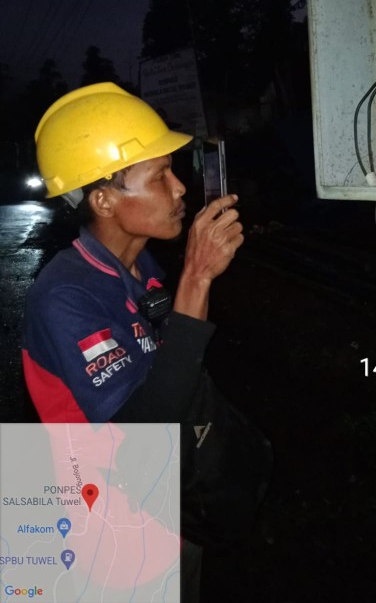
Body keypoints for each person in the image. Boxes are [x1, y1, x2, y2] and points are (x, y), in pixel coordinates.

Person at [22, 82, 246, 599]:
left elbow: (174, 369)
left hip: (169, 512)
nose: (180, 188)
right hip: (108, 539)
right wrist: (197, 277)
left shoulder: (138, 265)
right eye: (160, 176)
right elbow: (143, 431)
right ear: (103, 199)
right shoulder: (64, 296)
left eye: (174, 171)